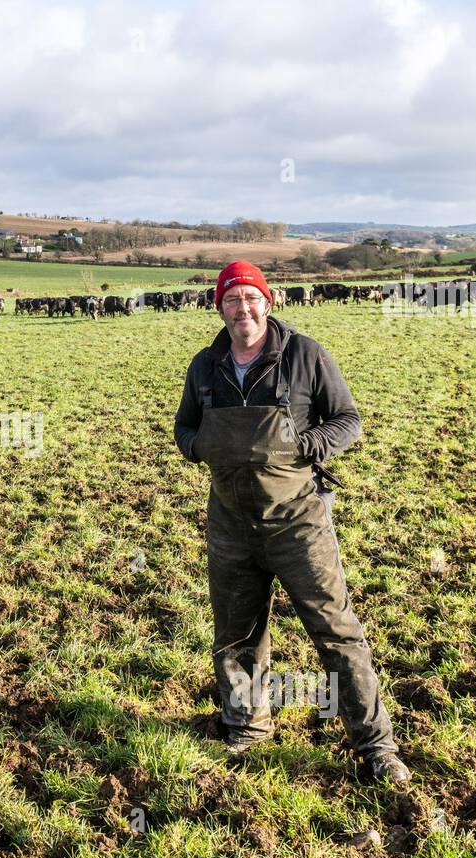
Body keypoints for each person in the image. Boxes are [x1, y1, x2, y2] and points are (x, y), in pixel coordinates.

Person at [173, 260, 410, 784]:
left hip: (298, 521)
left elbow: (348, 421)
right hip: (231, 522)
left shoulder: (304, 355)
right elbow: (184, 425)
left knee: (336, 632)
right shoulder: (204, 366)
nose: (242, 309)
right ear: (220, 308)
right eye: (231, 300)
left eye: (250, 298)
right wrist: (196, 446)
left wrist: (305, 445)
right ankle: (247, 725)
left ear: (268, 301)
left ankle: (376, 747)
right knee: (237, 634)